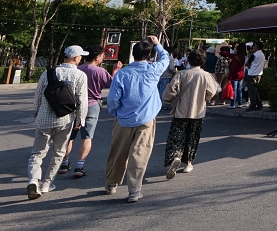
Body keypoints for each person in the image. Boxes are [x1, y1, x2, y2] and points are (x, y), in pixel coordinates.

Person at [104, 35, 170, 203]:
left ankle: (112, 183)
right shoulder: (153, 70)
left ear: (133, 54)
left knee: (118, 152)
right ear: (148, 55)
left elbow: (112, 99)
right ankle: (134, 190)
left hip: (124, 119)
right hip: (146, 119)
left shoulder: (122, 74)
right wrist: (157, 44)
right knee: (139, 154)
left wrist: (116, 112)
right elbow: (166, 58)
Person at [26, 45, 89, 200]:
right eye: (80, 56)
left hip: (44, 119)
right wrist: (80, 120)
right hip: (65, 119)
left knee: (37, 153)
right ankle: (47, 184)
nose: (81, 58)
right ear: (75, 58)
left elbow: (38, 95)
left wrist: (36, 111)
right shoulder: (80, 76)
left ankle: (34, 180)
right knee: (58, 153)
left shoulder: (48, 73)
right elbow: (82, 100)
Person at [60, 45, 121, 178]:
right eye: (102, 56)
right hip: (92, 105)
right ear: (97, 57)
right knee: (87, 137)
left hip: (74, 106)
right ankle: (79, 166)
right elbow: (112, 84)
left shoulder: (78, 69)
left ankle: (64, 163)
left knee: (70, 137)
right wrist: (115, 71)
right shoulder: (100, 71)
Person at [162, 47, 220, 178]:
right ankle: (188, 163)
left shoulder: (181, 74)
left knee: (176, 137)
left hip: (181, 111)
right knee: (192, 138)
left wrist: (168, 99)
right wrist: (203, 98)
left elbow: (170, 92)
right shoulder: (206, 76)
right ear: (203, 61)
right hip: (198, 112)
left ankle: (175, 157)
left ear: (188, 60)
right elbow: (212, 91)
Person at [245, 41, 266, 111]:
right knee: (254, 89)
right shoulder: (262, 54)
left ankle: (253, 104)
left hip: (252, 74)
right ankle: (259, 103)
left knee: (251, 90)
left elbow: (247, 63)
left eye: (254, 46)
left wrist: (248, 65)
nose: (253, 47)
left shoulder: (255, 55)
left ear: (257, 47)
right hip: (259, 74)